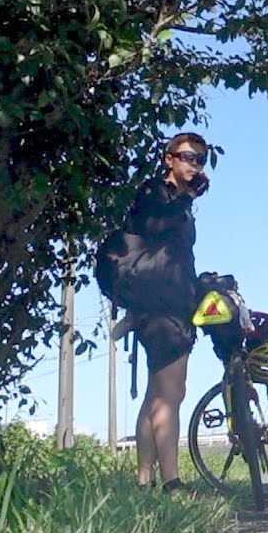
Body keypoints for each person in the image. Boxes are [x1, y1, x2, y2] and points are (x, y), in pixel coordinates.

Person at [113, 132, 210, 493]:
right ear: (169, 159)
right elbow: (154, 228)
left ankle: (143, 482)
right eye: (188, 157)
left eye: (201, 159)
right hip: (163, 309)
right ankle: (172, 483)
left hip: (163, 304)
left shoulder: (175, 201)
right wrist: (186, 195)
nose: (195, 165)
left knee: (156, 394)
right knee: (171, 395)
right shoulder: (155, 195)